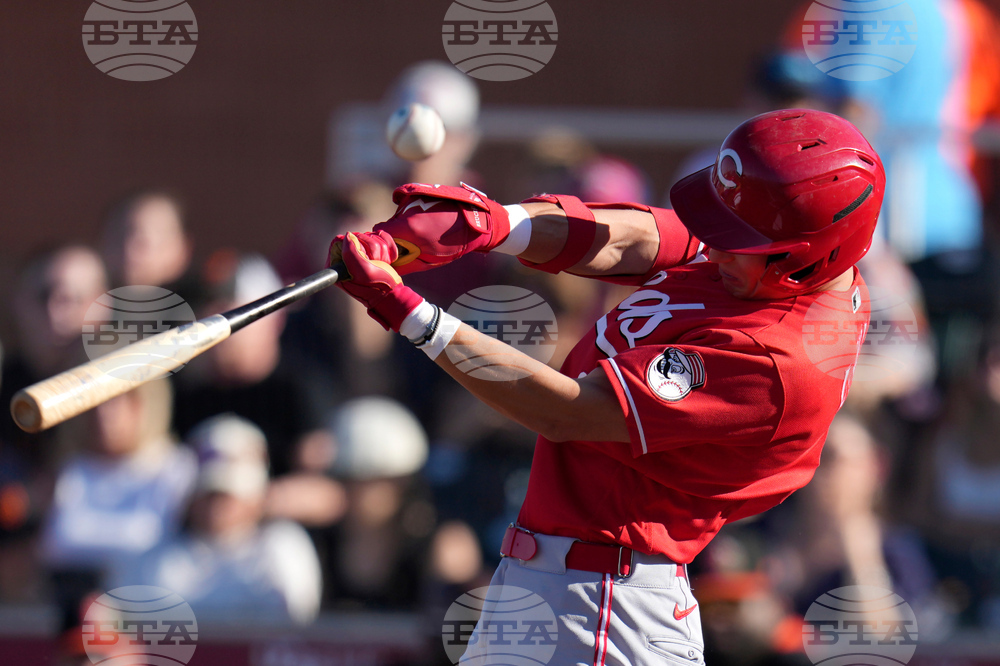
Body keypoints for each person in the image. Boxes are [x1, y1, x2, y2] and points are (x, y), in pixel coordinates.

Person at [327, 108, 884, 663]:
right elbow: (641, 238)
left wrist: (410, 315)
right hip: (561, 586)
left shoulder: (780, 358)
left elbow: (567, 410)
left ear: (806, 258)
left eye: (735, 240)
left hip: (603, 608)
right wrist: (497, 224)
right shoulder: (763, 269)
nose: (713, 247)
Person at [111, 414, 322, 625]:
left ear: (257, 496)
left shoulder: (281, 546)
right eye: (208, 492)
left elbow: (295, 628)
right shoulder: (153, 557)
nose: (217, 505)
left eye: (229, 494)